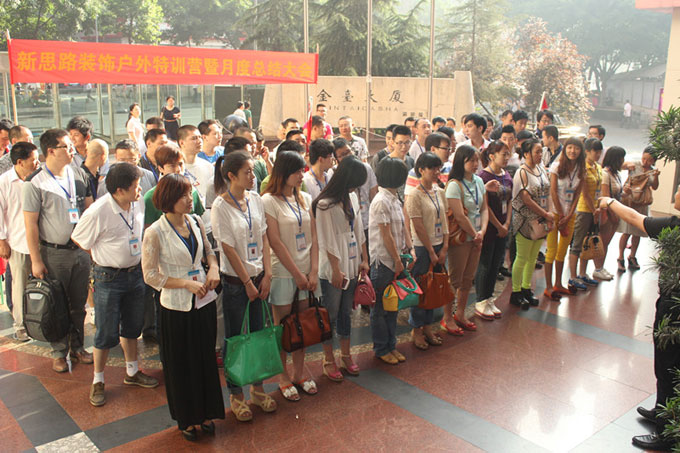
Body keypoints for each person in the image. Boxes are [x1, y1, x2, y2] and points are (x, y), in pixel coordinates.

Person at [142, 174, 223, 440]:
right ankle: (187, 418)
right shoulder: (155, 232)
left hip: (204, 301)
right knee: (181, 364)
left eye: (190, 194)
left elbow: (209, 251)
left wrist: (214, 269)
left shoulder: (196, 221)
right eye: (183, 196)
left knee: (204, 359)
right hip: (176, 308)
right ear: (168, 199)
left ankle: (207, 412)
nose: (190, 200)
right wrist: (185, 284)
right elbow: (150, 275)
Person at [597, 191, 680, 452]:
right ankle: (662, 409)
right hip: (671, 302)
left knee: (669, 367)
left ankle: (668, 432)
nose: (676, 193)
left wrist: (609, 202)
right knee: (665, 364)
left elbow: (635, 218)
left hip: (675, 309)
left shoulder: (675, 227)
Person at [71, 163, 158, 407]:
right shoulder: (98, 211)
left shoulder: (138, 203)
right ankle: (98, 380)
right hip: (108, 277)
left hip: (136, 274)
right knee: (106, 331)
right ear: (119, 190)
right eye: (135, 186)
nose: (140, 190)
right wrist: (103, 257)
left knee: (133, 327)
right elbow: (79, 239)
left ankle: (132, 371)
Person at [211, 151, 277, 421]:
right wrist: (248, 282)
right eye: (247, 172)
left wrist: (268, 274)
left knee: (259, 336)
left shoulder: (256, 199)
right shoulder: (220, 206)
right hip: (237, 283)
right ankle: (236, 395)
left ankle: (258, 390)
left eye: (253, 171)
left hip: (260, 279)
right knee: (236, 339)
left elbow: (264, 237)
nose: (253, 176)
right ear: (231, 175)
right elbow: (227, 248)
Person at [23, 129, 94, 372]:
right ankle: (59, 352)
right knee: (56, 304)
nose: (72, 149)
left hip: (80, 251)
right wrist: (36, 260)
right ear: (51, 151)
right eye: (66, 146)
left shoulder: (79, 174)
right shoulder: (35, 182)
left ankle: (78, 347)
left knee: (78, 305)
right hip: (54, 253)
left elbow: (89, 210)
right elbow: (31, 225)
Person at [262, 151, 320, 400]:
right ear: (283, 173)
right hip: (284, 273)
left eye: (302, 171)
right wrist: (297, 274)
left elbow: (314, 236)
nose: (301, 175)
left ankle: (299, 372)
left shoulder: (305, 198)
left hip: (307, 271)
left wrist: (314, 270)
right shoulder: (268, 201)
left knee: (302, 325)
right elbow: (275, 241)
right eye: (297, 171)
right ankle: (282, 376)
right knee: (283, 328)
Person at [313, 156, 369, 379]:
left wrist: (364, 259)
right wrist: (336, 269)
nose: (355, 188)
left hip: (352, 261)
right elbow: (326, 239)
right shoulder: (324, 204)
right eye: (354, 183)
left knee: (347, 312)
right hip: (334, 266)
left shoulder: (352, 197)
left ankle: (346, 355)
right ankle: (328, 359)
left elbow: (359, 229)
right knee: (331, 314)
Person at [369, 157, 412, 364]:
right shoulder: (381, 201)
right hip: (384, 262)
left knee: (392, 306)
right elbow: (386, 236)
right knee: (379, 309)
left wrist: (407, 251)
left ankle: (391, 345)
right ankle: (381, 348)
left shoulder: (395, 199)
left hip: (396, 259)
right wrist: (396, 260)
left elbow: (401, 230)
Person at [443, 145, 488, 332]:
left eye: (477, 160)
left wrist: (482, 232)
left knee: (468, 278)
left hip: (476, 237)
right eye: (471, 161)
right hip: (461, 239)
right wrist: (475, 234)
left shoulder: (479, 181)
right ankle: (447, 317)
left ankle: (460, 313)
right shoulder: (454, 185)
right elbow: (459, 216)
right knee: (455, 279)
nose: (475, 164)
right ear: (461, 162)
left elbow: (484, 209)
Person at [405, 152, 448, 348]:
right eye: (432, 168)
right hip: (423, 248)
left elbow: (444, 220)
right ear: (421, 170)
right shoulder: (415, 195)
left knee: (434, 289)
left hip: (439, 245)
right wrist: (431, 251)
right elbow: (417, 225)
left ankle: (428, 327)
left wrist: (445, 246)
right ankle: (417, 330)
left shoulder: (439, 191)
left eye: (438, 168)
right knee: (421, 289)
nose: (437, 172)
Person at [0, 142, 40, 342]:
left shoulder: (39, 178)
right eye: (33, 160)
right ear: (20, 162)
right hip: (18, 242)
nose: (37, 163)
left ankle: (42, 321)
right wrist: (2, 240)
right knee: (20, 285)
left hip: (41, 242)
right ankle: (20, 326)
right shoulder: (4, 182)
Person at [509, 139, 553, 310]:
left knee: (533, 257)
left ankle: (526, 288)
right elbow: (526, 199)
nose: (540, 155)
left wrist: (548, 214)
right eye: (537, 152)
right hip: (525, 221)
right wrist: (545, 214)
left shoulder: (540, 169)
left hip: (541, 220)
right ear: (526, 153)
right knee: (521, 257)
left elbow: (547, 192)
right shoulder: (521, 172)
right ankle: (516, 292)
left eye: (541, 151)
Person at [543, 138, 585, 299]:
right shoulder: (556, 166)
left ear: (581, 151)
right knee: (551, 250)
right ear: (565, 149)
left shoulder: (581, 169)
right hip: (554, 214)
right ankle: (548, 287)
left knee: (562, 251)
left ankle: (558, 284)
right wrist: (561, 215)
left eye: (576, 148)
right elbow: (553, 192)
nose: (572, 151)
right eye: (570, 147)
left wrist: (568, 216)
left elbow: (577, 195)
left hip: (570, 216)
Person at [475, 141, 512, 318]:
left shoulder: (506, 175)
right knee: (485, 264)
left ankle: (489, 298)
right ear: (491, 156)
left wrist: (507, 224)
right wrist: (498, 226)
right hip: (489, 228)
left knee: (496, 264)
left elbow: (510, 200)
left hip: (504, 226)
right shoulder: (483, 176)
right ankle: (481, 300)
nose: (506, 158)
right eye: (503, 154)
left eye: (508, 154)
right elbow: (485, 206)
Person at [567, 138, 604, 290]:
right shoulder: (582, 168)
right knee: (577, 244)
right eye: (595, 151)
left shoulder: (597, 167)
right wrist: (594, 210)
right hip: (583, 210)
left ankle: (583, 273)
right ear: (587, 151)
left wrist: (597, 209)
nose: (598, 154)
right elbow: (585, 193)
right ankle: (573, 277)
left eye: (600, 151)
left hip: (595, 210)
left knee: (588, 243)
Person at [618, 146, 659, 272]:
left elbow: (655, 187)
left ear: (654, 160)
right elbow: (620, 166)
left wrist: (656, 176)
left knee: (638, 232)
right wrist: (627, 165)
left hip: (642, 203)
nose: (645, 162)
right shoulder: (635, 164)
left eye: (649, 160)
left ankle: (632, 256)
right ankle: (620, 257)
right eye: (644, 158)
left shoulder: (652, 171)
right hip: (630, 202)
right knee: (626, 231)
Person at [597, 146, 629, 280]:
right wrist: (613, 215)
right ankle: (598, 268)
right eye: (621, 158)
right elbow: (606, 196)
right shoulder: (605, 174)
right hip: (608, 214)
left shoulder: (616, 174)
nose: (623, 161)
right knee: (602, 242)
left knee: (606, 243)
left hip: (615, 213)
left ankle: (601, 267)